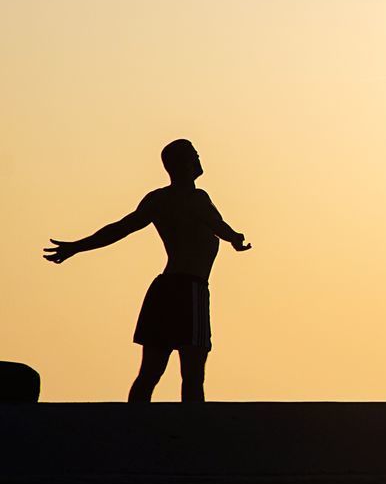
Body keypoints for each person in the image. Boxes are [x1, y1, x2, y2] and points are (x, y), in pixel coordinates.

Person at [44, 139, 251, 402]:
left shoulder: (158, 200)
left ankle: (134, 424)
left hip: (163, 291)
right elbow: (217, 224)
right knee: (192, 372)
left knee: (150, 373)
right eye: (195, 155)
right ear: (185, 164)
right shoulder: (196, 197)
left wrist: (77, 246)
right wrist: (235, 237)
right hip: (189, 289)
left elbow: (119, 228)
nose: (200, 159)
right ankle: (194, 431)